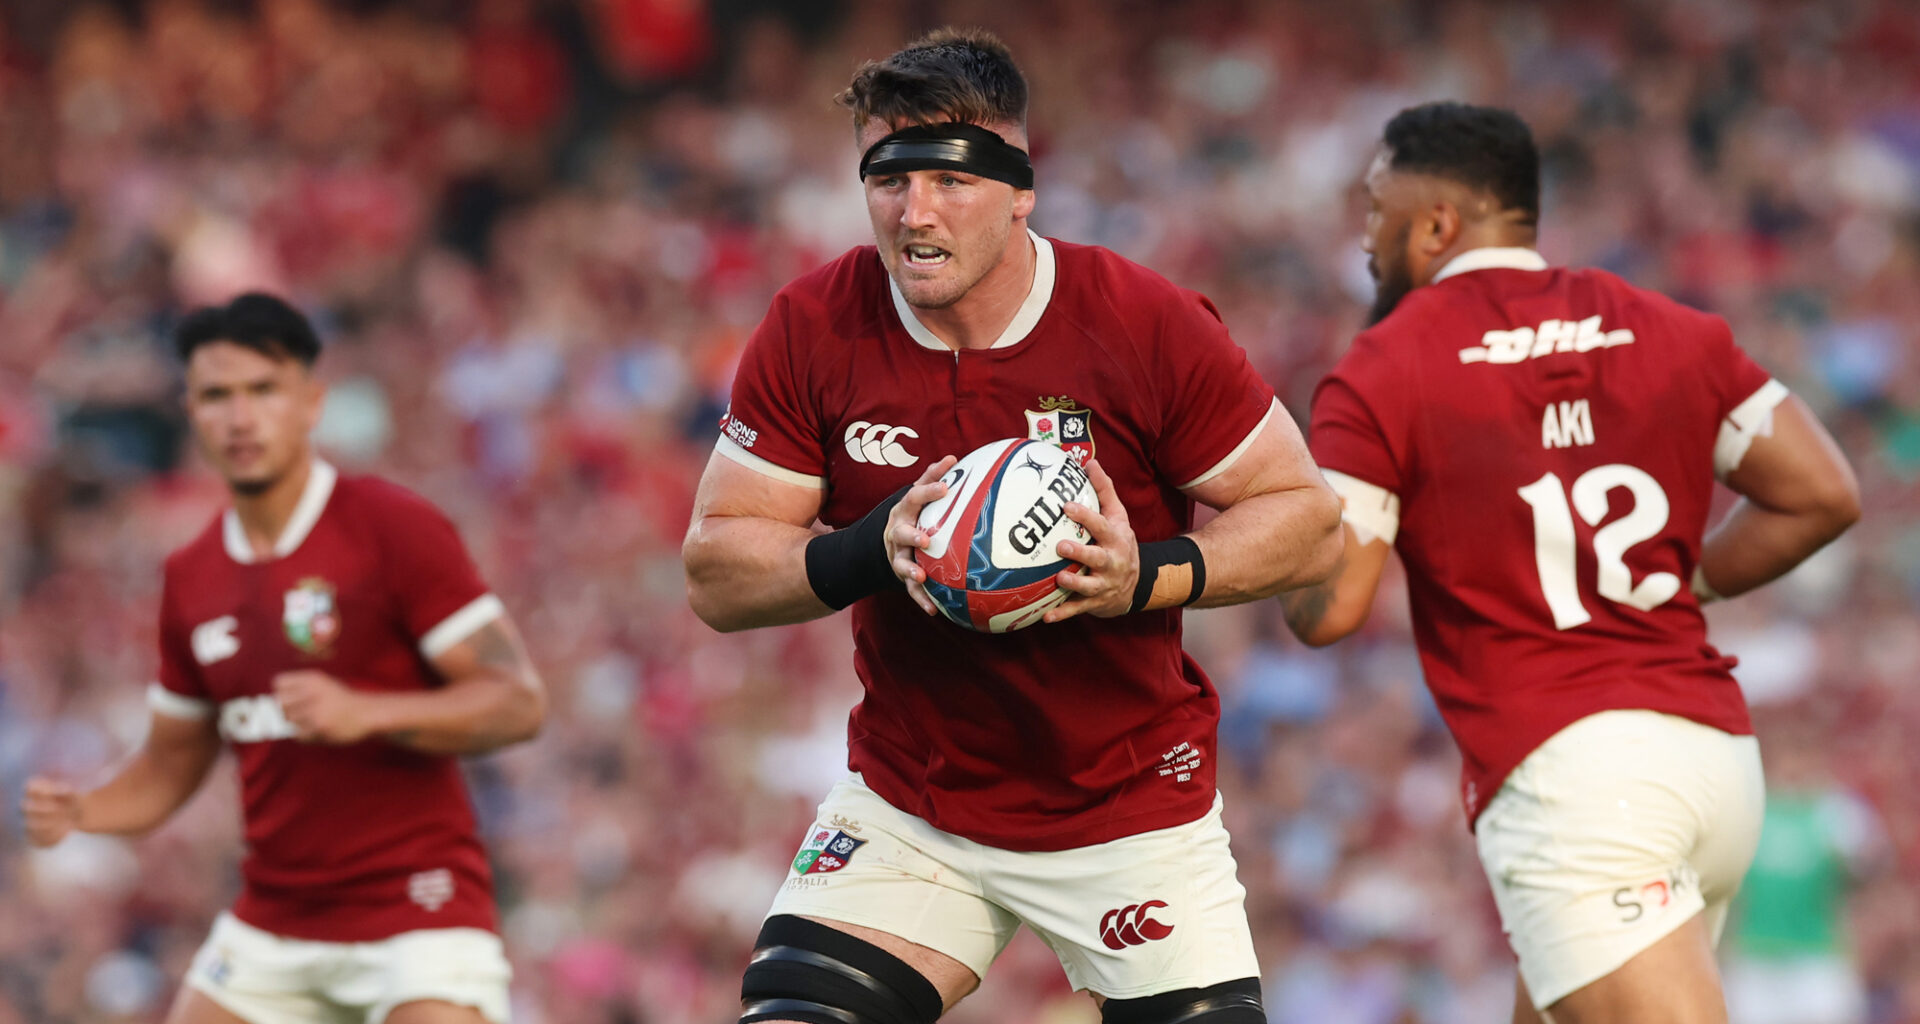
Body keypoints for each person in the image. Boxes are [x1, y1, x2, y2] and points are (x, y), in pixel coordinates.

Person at [681, 27, 1342, 1024]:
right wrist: (872, 546)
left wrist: (1145, 575)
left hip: (1126, 805)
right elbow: (716, 571)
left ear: (1021, 188)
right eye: (888, 179)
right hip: (917, 803)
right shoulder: (813, 323)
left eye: (949, 179)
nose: (915, 212)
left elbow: (1307, 518)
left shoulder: (1139, 321)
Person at [1279, 102, 1860, 1024]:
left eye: (1377, 211)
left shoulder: (1387, 365)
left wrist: (1283, 521)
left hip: (1576, 775)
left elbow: (1331, 611)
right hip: (1710, 752)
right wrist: (1692, 579)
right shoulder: (1666, 324)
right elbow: (1824, 490)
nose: (1365, 239)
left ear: (1435, 224)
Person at [21, 293, 547, 1024]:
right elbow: (172, 764)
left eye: (262, 390)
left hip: (419, 909)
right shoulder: (191, 575)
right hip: (275, 922)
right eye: (216, 396)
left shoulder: (392, 528)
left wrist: (368, 712)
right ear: (191, 412)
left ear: (311, 402)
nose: (240, 417)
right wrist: (87, 808)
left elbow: (518, 701)